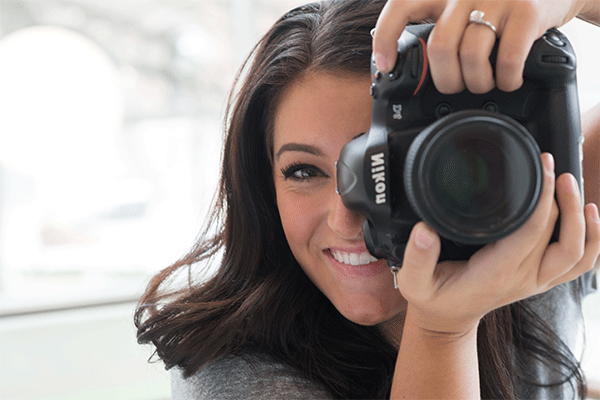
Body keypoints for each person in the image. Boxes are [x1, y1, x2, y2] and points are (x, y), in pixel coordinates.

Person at [135, 0, 600, 398]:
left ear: (479, 151)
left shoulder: (527, 225)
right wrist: (443, 329)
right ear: (263, 188)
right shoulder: (234, 376)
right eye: (304, 171)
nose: (346, 218)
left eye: (389, 164)